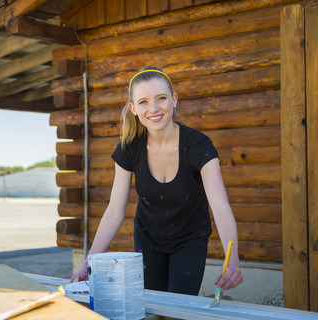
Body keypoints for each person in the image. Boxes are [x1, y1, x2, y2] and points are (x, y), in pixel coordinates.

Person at [70, 66, 243, 295]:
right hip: (147, 238)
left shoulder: (198, 145)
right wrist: (88, 262)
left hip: (190, 238)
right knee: (152, 306)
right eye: (143, 102)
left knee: (176, 310)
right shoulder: (128, 148)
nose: (153, 108)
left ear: (174, 100)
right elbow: (114, 211)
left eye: (161, 98)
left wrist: (233, 261)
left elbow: (220, 207)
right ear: (133, 108)